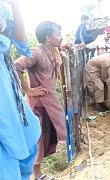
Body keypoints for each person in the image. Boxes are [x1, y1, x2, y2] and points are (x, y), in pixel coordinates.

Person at [15, 21, 69, 179]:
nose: (60, 37)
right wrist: (28, 90)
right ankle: (34, 175)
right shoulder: (36, 52)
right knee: (38, 139)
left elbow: (60, 48)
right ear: (47, 37)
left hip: (51, 102)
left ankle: (37, 174)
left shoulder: (53, 50)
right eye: (58, 34)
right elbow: (16, 66)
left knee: (47, 137)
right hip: (39, 104)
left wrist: (65, 46)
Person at [0, 0, 41, 179]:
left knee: (24, 134)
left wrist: (15, 5)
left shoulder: (5, 8)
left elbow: (20, 42)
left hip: (6, 83)